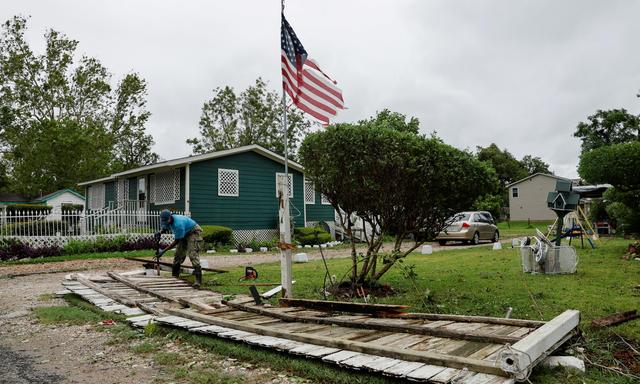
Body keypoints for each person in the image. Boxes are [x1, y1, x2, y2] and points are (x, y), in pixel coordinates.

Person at [155, 210, 204, 287]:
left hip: (193, 231)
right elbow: (165, 227)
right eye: (163, 221)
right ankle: (175, 277)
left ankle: (198, 280)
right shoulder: (166, 220)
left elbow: (176, 241)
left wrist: (163, 251)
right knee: (178, 255)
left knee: (192, 254)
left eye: (166, 221)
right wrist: (160, 232)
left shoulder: (178, 224)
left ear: (170, 217)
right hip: (184, 232)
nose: (165, 222)